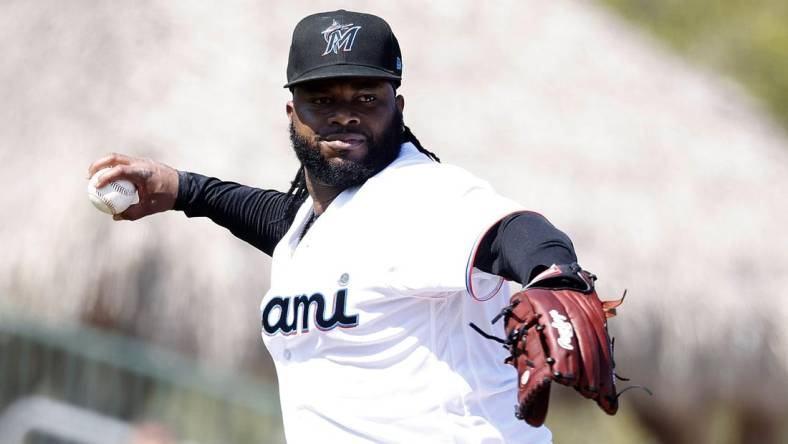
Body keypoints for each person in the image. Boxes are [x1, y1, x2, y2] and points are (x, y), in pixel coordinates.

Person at [88, 10, 585, 443]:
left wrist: (555, 275)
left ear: (398, 107)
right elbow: (278, 220)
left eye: (366, 98)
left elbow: (513, 231)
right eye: (322, 100)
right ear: (293, 113)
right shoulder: (315, 221)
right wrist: (182, 188)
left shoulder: (424, 195)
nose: (344, 115)